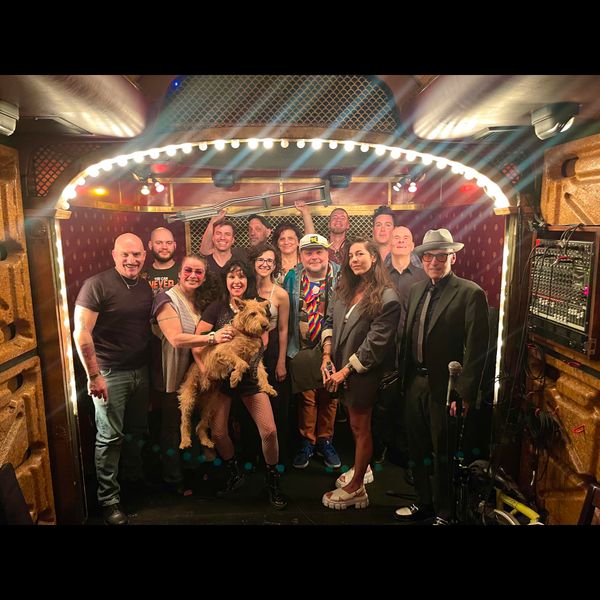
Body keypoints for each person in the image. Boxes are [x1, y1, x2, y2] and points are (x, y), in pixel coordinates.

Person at [394, 229, 489, 525]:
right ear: (422, 259)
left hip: (447, 388)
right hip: (415, 381)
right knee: (417, 447)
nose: (434, 262)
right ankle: (424, 502)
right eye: (429, 256)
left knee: (443, 452)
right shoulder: (416, 290)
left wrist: (464, 393)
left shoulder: (470, 293)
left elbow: (477, 349)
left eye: (441, 256)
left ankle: (445, 513)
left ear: (453, 258)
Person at [193, 259, 288, 509]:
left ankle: (272, 479)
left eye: (242, 276)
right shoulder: (216, 307)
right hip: (221, 380)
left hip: (250, 377)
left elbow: (263, 341)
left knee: (269, 431)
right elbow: (197, 342)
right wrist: (205, 369)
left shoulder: (258, 303)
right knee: (218, 433)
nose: (237, 281)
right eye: (232, 276)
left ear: (248, 279)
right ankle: (234, 472)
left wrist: (246, 357)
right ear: (225, 280)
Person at [73, 233, 153, 525]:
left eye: (136, 254)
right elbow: (81, 332)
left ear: (144, 255)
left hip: (140, 371)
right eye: (125, 254)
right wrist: (93, 375)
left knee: (136, 431)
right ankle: (109, 499)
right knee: (109, 438)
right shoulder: (96, 285)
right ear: (114, 254)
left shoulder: (144, 286)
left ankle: (132, 483)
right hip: (108, 373)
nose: (131, 260)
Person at [320, 239, 400, 509]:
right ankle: (361, 468)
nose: (354, 259)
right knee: (355, 427)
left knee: (360, 427)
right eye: (351, 255)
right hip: (340, 369)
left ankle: (357, 489)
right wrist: (326, 356)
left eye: (360, 254)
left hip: (363, 375)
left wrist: (344, 372)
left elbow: (374, 346)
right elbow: (329, 320)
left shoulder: (388, 297)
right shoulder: (345, 288)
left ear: (374, 257)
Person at [151, 254, 225, 494]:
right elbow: (175, 338)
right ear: (179, 273)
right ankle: (173, 479)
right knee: (172, 427)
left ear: (204, 277)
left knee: (192, 423)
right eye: (188, 271)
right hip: (171, 372)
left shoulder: (200, 300)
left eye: (198, 272)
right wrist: (212, 338)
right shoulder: (166, 298)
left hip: (194, 372)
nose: (193, 275)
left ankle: (192, 473)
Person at [284, 234, 342, 470]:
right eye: (308, 252)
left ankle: (325, 440)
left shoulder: (341, 275)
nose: (314, 257)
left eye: (319, 251)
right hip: (303, 347)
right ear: (301, 256)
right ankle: (308, 441)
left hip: (333, 346)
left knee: (330, 396)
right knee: (307, 399)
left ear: (328, 253)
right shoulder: (292, 277)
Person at [373, 225, 427, 466]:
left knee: (409, 402)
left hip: (413, 348)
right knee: (383, 402)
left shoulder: (423, 275)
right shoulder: (379, 275)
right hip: (384, 347)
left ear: (413, 245)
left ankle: (404, 450)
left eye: (406, 237)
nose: (402, 241)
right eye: (397, 237)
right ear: (390, 244)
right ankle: (380, 448)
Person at [249, 242, 291, 461]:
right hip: (248, 350)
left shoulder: (280, 294)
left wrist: (282, 361)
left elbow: (283, 330)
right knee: (249, 401)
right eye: (260, 260)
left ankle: (274, 458)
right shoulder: (245, 289)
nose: (264, 264)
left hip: (272, 351)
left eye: (269, 261)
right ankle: (252, 454)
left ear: (274, 265)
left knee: (274, 402)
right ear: (253, 262)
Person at [142, 227, 179, 295]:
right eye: (159, 243)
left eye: (169, 243)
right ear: (150, 245)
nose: (164, 247)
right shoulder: (141, 275)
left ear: (174, 245)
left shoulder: (185, 273)